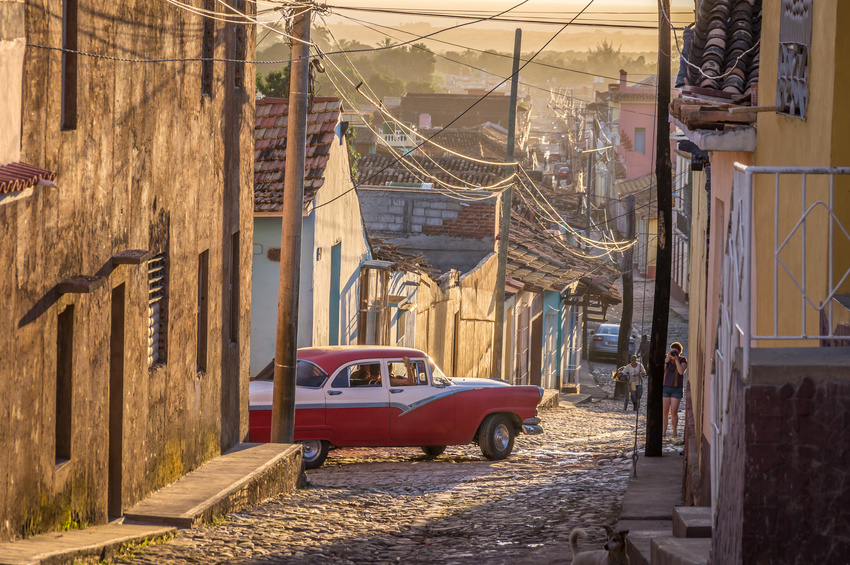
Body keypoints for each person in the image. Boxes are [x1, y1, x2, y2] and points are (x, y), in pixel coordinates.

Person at [662, 342, 687, 437]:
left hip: (676, 389)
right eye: (671, 351)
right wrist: (666, 361)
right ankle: (663, 432)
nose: (673, 353)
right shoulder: (666, 358)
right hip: (665, 388)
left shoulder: (682, 360)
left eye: (675, 352)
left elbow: (681, 372)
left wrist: (676, 360)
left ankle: (674, 431)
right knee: (664, 412)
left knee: (674, 412)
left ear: (679, 352)